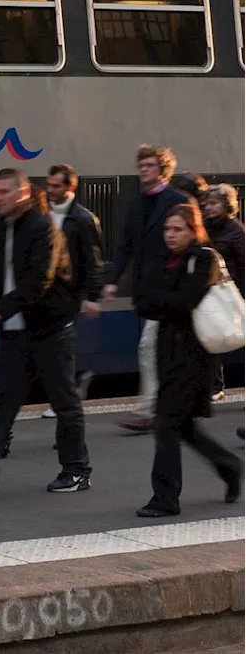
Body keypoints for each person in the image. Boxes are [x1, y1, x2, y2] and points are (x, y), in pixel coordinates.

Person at [0, 168, 90, 493]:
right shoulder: (4, 226)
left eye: (3, 192)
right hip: (17, 330)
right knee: (0, 400)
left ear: (22, 193)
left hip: (50, 328)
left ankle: (77, 470)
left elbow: (39, 280)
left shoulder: (42, 227)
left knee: (64, 402)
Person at [133, 203, 243, 517]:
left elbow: (186, 302)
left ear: (193, 230)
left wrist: (161, 301)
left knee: (166, 424)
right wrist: (166, 301)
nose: (171, 235)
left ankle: (165, 499)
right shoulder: (163, 260)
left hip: (196, 356)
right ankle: (230, 466)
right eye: (168, 229)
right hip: (168, 352)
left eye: (178, 229)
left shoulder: (204, 258)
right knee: (184, 427)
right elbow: (142, 302)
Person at [103, 145, 190, 434]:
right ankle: (172, 407)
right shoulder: (136, 204)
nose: (143, 170)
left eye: (149, 165)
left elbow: (193, 243)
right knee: (165, 349)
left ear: (163, 169)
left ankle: (148, 410)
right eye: (141, 165)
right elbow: (125, 245)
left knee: (149, 346)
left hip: (172, 289)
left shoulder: (179, 201)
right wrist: (113, 279)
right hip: (148, 291)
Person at [40, 164, 105, 420]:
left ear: (71, 187)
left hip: (69, 294)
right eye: (49, 185)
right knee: (49, 348)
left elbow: (93, 259)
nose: (50, 190)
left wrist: (92, 296)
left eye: (56, 186)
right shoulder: (42, 214)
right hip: (44, 292)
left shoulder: (83, 219)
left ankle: (63, 400)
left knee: (59, 349)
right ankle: (75, 380)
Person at [199, 184, 246, 404]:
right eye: (206, 203)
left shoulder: (236, 232)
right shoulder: (205, 227)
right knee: (212, 338)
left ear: (227, 205)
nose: (208, 207)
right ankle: (214, 387)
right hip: (214, 295)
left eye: (214, 203)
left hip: (235, 295)